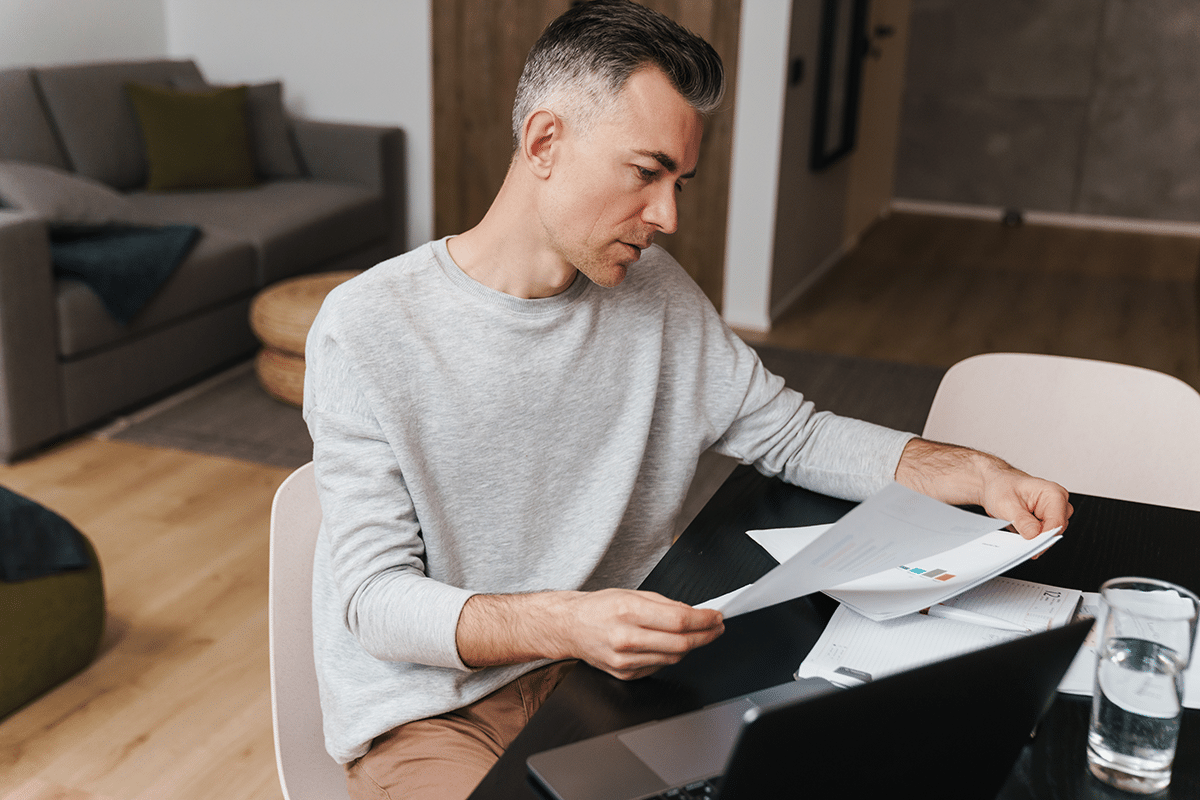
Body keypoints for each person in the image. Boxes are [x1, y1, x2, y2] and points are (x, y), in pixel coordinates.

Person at [302, 2, 1072, 798]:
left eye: (678, 180)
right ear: (544, 143)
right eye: (645, 172)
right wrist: (568, 619)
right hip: (438, 715)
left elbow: (794, 437)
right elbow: (374, 602)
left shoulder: (654, 294)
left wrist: (974, 474)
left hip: (615, 685)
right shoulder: (368, 329)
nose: (667, 216)